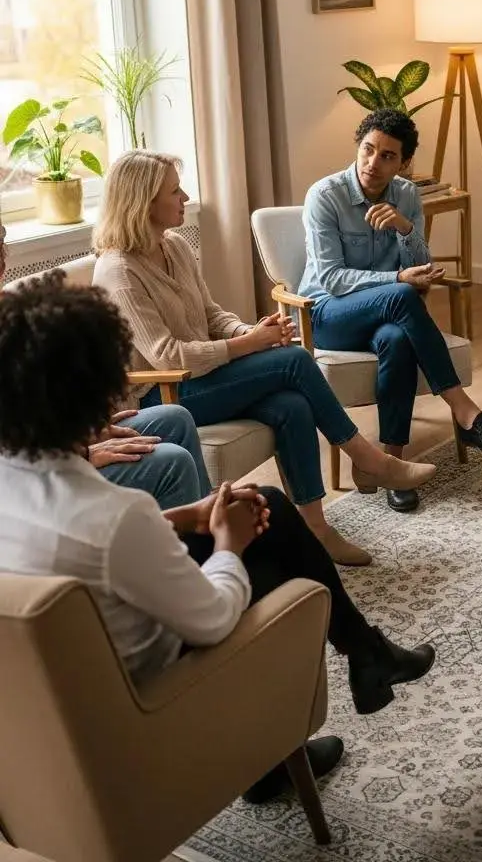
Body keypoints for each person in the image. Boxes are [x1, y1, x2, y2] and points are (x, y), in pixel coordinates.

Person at [0, 274, 436, 804]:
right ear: (95, 397)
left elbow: (83, 545)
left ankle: (366, 659)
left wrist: (184, 518)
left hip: (53, 714)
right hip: (154, 700)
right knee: (266, 537)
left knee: (266, 505)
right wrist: (227, 543)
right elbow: (211, 618)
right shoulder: (117, 517)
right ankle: (293, 732)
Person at [92, 150, 437, 566]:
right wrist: (247, 345)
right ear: (143, 202)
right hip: (162, 393)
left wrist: (252, 333)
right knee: (293, 363)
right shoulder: (118, 272)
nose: (184, 196)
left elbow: (210, 314)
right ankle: (368, 460)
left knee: (291, 404)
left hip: (205, 375)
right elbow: (167, 354)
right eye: (174, 190)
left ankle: (315, 530)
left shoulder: (176, 246)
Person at [299, 109, 482, 512]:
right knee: (400, 295)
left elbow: (423, 266)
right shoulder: (325, 196)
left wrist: (405, 228)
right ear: (358, 147)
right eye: (368, 150)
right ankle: (465, 412)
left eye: (387, 156)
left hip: (383, 316)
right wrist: (396, 280)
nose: (373, 162)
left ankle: (392, 462)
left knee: (397, 339)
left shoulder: (406, 194)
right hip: (327, 316)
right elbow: (331, 279)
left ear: (402, 163)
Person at [0, 213, 209, 509]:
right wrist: (82, 453)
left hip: (56, 443)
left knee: (175, 418)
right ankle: (190, 540)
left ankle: (205, 529)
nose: (4, 261)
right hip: (32, 476)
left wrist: (81, 429)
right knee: (173, 462)